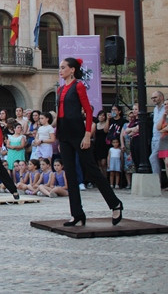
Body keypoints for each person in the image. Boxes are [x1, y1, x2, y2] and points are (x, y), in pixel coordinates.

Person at [56, 57, 123, 226]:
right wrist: (58, 135)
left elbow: (87, 110)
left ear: (72, 70)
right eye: (60, 67)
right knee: (70, 174)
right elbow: (60, 114)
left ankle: (115, 204)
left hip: (78, 133)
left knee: (92, 170)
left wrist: (87, 135)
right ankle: (77, 213)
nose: (60, 70)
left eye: (63, 67)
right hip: (64, 134)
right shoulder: (60, 89)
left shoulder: (78, 85)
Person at [150, 91, 165, 175]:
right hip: (154, 138)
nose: (153, 99)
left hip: (162, 137)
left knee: (152, 158)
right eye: (152, 98)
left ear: (161, 97)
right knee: (161, 160)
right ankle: (159, 181)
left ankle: (156, 181)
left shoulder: (165, 108)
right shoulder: (155, 109)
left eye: (155, 97)